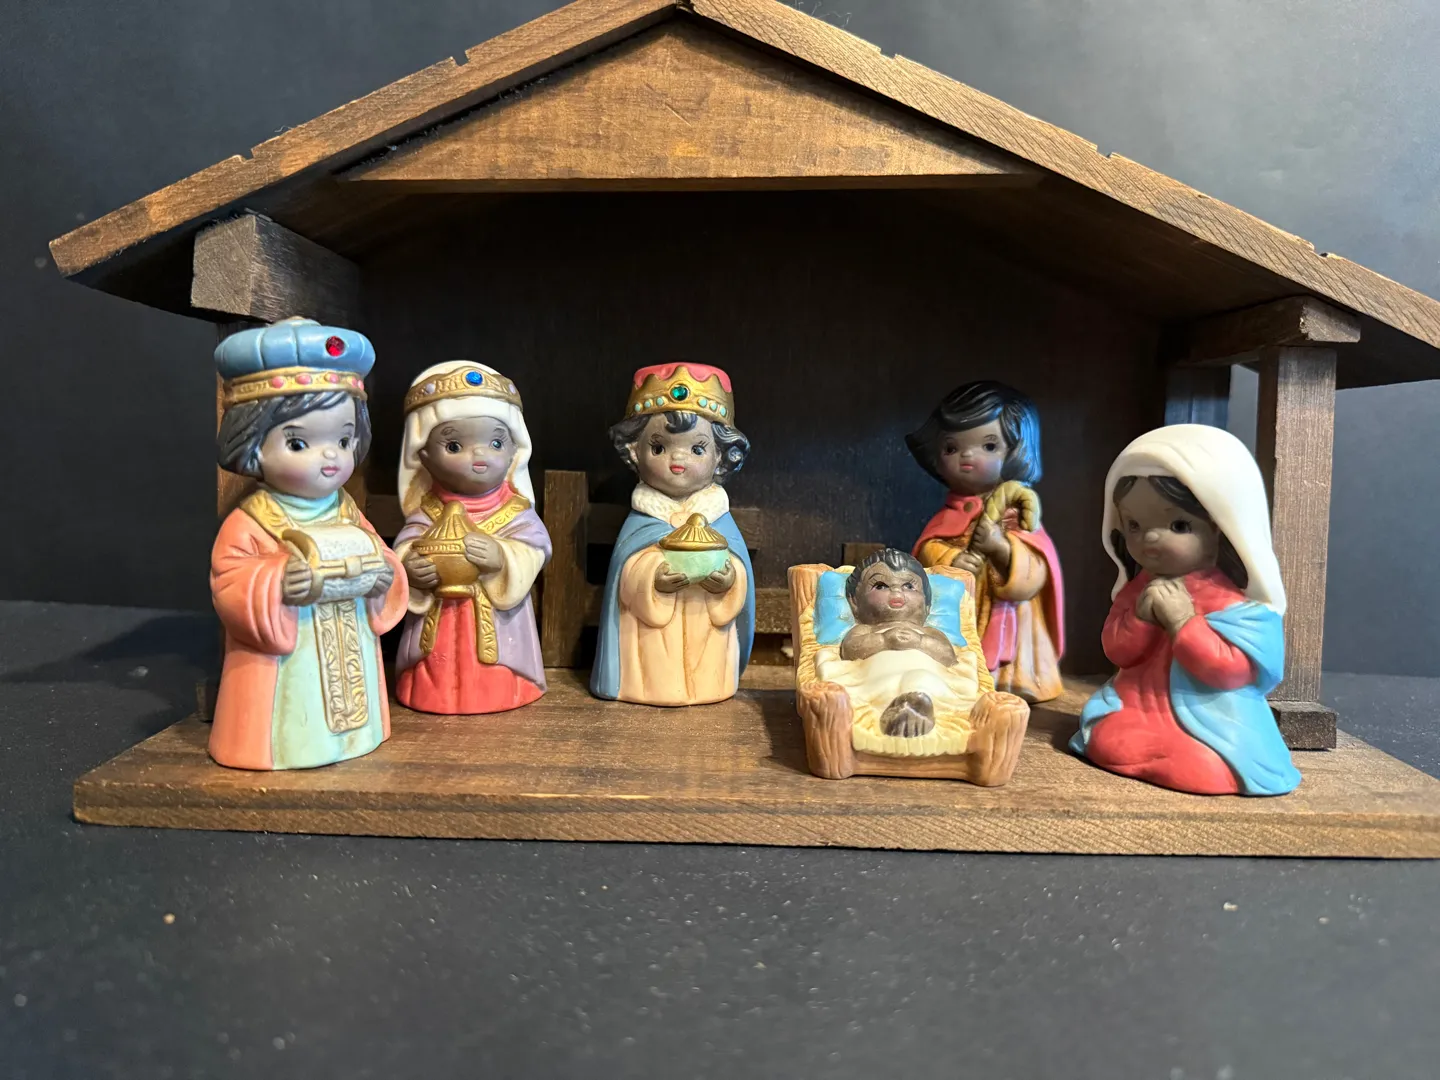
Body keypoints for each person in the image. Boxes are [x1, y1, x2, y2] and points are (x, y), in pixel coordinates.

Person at [209, 317, 407, 770]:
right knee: (290, 714)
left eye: (343, 439)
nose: (331, 456)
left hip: (349, 649)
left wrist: (382, 574)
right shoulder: (253, 520)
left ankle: (355, 736)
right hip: (287, 665)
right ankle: (287, 746)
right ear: (253, 446)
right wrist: (278, 582)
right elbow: (228, 580)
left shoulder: (345, 510)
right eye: (299, 443)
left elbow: (381, 557)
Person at [1069, 424, 1301, 796]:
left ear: (1222, 528)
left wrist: (1182, 622)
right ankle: (1157, 752)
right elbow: (1116, 650)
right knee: (1108, 738)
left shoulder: (1238, 605)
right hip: (1140, 705)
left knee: (1205, 768)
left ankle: (1196, 759)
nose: (1149, 538)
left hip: (1213, 718)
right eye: (1134, 525)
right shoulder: (1138, 588)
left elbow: (1232, 671)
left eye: (1178, 525)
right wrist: (1140, 619)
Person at [591, 363, 754, 705]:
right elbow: (626, 575)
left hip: (708, 640)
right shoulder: (643, 520)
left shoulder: (718, 517)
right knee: (652, 664)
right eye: (659, 448)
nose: (678, 461)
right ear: (634, 451)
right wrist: (652, 577)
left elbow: (740, 573)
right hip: (649, 644)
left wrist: (729, 580)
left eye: (697, 449)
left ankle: (711, 683)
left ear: (720, 456)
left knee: (707, 664)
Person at [393, 362, 551, 714]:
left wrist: (502, 558)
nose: (479, 455)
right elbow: (403, 549)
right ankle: (431, 690)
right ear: (424, 457)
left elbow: (537, 547)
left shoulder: (515, 512)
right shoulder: (427, 513)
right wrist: (411, 568)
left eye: (495, 443)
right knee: (435, 669)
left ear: (513, 452)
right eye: (454, 445)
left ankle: (505, 686)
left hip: (499, 629)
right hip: (438, 624)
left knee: (497, 672)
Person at [907, 381, 1064, 703]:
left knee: (1014, 657)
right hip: (958, 623)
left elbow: (1036, 573)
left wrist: (1002, 549)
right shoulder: (946, 517)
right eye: (951, 448)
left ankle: (1010, 677)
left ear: (1017, 451)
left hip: (1012, 627)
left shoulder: (1017, 514)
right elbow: (924, 553)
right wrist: (950, 559)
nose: (967, 455)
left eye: (989, 446)